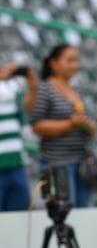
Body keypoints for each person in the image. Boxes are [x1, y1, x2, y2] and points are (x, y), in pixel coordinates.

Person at [30, 44, 97, 208]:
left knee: (83, 213)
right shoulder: (45, 89)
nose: (75, 65)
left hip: (81, 164)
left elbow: (94, 128)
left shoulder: (76, 91)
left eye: (76, 60)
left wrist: (88, 125)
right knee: (63, 212)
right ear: (54, 63)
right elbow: (37, 125)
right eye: (70, 60)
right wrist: (69, 124)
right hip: (57, 164)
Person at [0, 63, 38, 211]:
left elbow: (28, 114)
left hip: (16, 164)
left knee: (20, 218)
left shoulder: (13, 89)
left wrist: (33, 86)